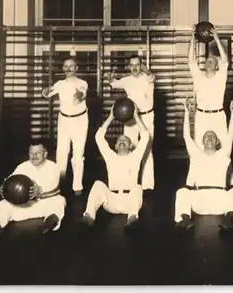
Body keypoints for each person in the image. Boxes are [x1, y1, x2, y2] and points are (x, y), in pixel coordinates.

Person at [174, 96, 233, 232]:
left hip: (220, 202)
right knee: (182, 192)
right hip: (200, 201)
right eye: (206, 136)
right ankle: (186, 220)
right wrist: (187, 112)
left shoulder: (224, 155)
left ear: (217, 142)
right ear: (202, 142)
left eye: (213, 137)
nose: (210, 138)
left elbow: (230, 135)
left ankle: (228, 220)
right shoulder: (196, 155)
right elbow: (187, 136)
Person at [80, 101, 149, 230]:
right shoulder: (110, 156)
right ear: (116, 146)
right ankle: (89, 216)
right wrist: (111, 116)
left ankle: (132, 219)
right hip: (111, 201)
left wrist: (136, 116)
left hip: (130, 202)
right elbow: (98, 137)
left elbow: (145, 136)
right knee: (98, 184)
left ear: (131, 146)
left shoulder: (135, 156)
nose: (122, 141)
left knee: (138, 188)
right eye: (119, 141)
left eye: (125, 140)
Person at [0, 140, 66, 236]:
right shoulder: (22, 167)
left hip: (45, 204)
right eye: (31, 153)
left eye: (38, 153)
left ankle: (49, 224)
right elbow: (11, 180)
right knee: (4, 204)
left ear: (45, 154)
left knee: (59, 201)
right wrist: (5, 188)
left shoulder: (53, 167)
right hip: (26, 204)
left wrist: (39, 191)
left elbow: (53, 188)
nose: (34, 156)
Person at [107, 55, 155, 191]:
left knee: (147, 149)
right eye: (132, 65)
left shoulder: (147, 78)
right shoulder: (126, 80)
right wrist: (110, 78)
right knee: (129, 148)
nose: (135, 67)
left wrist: (147, 71)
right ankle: (130, 183)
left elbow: (152, 76)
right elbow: (113, 83)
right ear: (128, 67)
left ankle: (147, 186)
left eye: (137, 64)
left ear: (141, 66)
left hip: (147, 116)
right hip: (130, 119)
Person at [42, 57, 88, 195]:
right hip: (64, 120)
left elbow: (82, 91)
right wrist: (45, 91)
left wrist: (80, 95)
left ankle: (77, 186)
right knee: (61, 153)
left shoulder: (82, 83)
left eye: (71, 66)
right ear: (63, 69)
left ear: (76, 68)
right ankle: (58, 183)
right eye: (65, 66)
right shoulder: (60, 84)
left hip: (80, 120)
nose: (68, 69)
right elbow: (48, 93)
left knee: (78, 154)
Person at [188, 25, 230, 148]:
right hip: (201, 116)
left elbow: (225, 61)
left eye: (212, 61)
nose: (208, 62)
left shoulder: (221, 76)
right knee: (200, 148)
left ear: (217, 66)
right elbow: (191, 60)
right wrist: (192, 39)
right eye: (207, 60)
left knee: (222, 148)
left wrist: (216, 38)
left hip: (218, 116)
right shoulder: (198, 75)